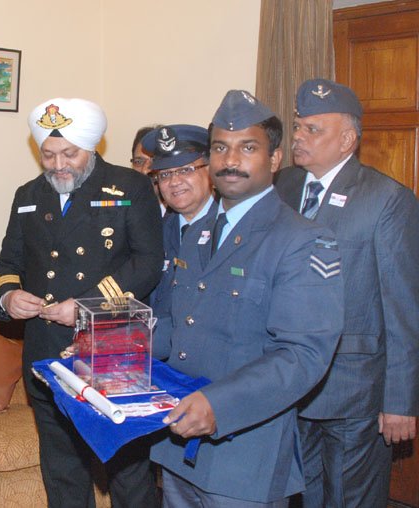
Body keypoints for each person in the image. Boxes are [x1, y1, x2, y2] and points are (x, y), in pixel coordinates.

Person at [149, 90, 345, 507]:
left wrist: (217, 405)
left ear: (275, 160)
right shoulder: (198, 232)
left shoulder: (303, 240)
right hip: (177, 446)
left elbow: (303, 354)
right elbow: (174, 323)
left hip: (244, 456)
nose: (230, 160)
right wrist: (118, 349)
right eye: (220, 147)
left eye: (247, 148)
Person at [0, 97, 164, 508]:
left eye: (69, 153)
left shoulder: (130, 187)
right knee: (61, 465)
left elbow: (147, 264)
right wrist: (8, 295)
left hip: (110, 350)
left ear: (92, 147)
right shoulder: (28, 194)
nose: (58, 164)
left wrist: (86, 306)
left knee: (126, 469)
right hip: (47, 348)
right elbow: (7, 263)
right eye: (48, 154)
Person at [276, 78, 419, 507]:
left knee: (351, 500)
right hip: (288, 382)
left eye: (313, 129)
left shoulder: (387, 198)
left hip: (356, 389)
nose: (299, 136)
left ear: (347, 140)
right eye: (298, 126)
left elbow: (404, 308)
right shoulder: (280, 188)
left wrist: (401, 401)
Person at [141, 124, 216, 357]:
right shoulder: (154, 232)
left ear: (210, 170)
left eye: (185, 170)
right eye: (164, 174)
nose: (174, 182)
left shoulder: (229, 232)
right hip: (153, 362)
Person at [131, 125, 167, 216]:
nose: (145, 171)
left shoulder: (182, 216)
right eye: (139, 161)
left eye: (154, 160)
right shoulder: (122, 212)